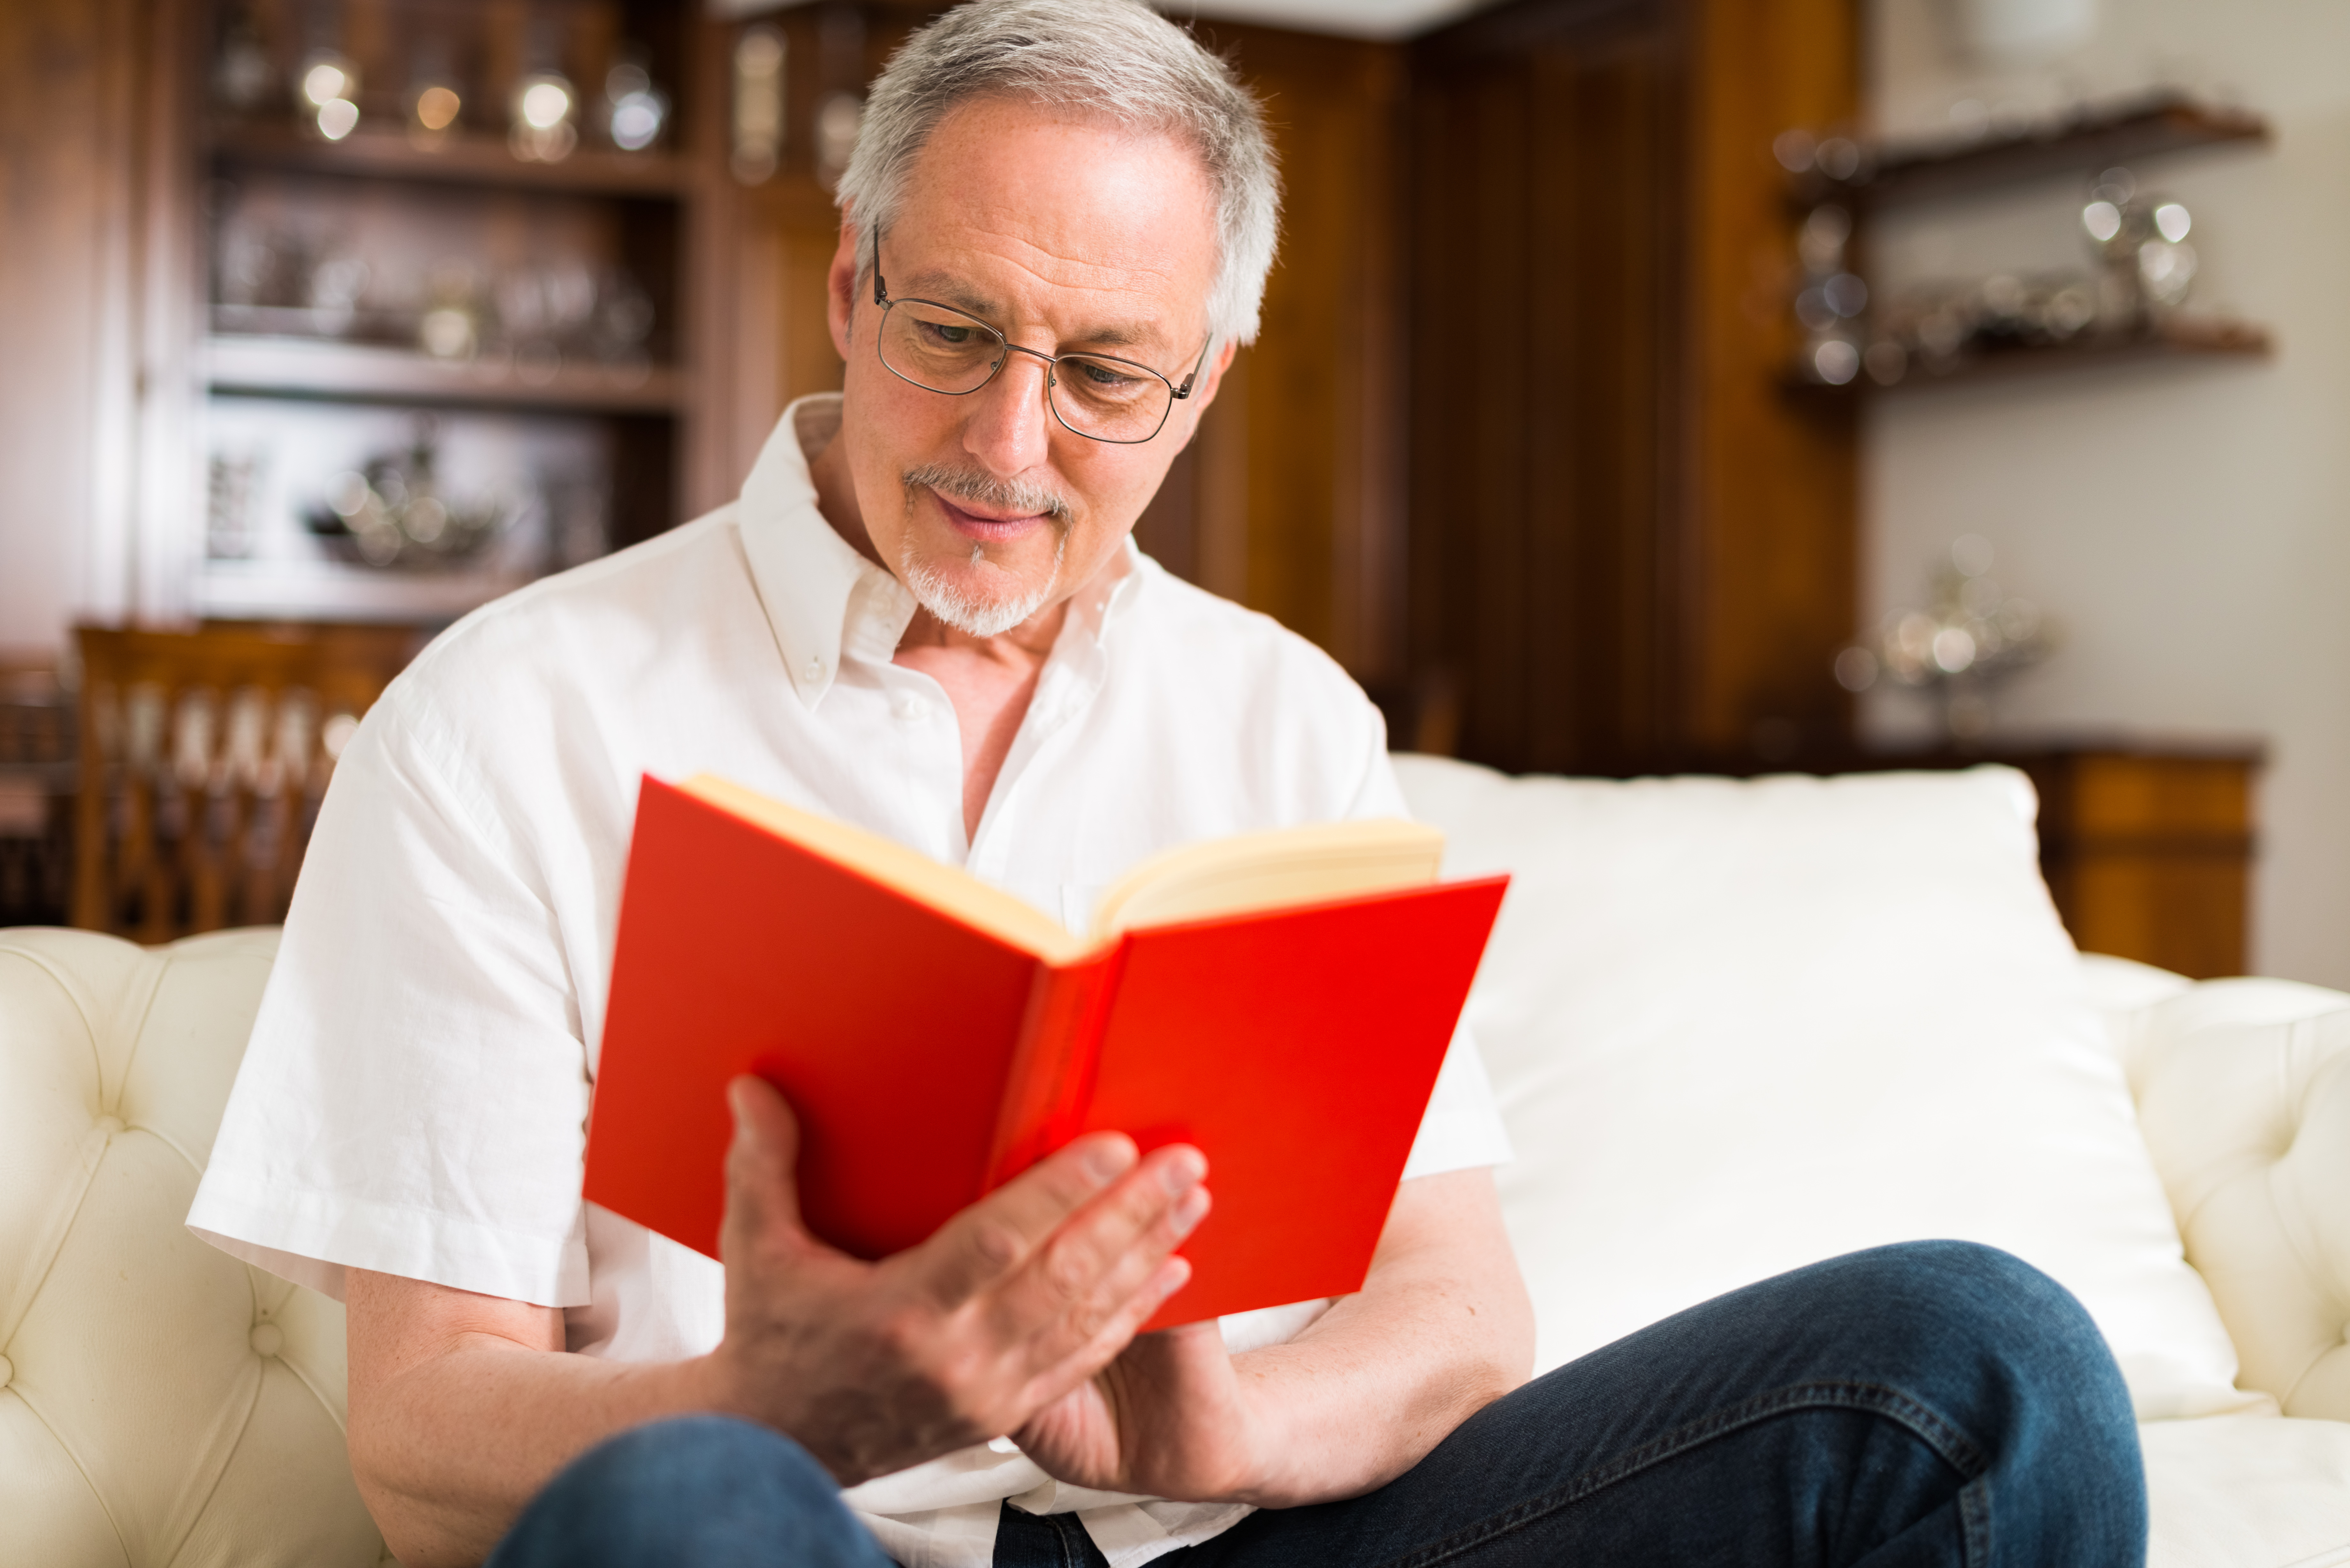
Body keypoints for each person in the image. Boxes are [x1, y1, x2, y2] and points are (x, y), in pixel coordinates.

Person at [189, 3, 2149, 1565]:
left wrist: (1241, 1431)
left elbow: (1455, 1301)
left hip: (1237, 1540)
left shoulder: (1285, 719)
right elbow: (425, 1444)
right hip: (772, 1524)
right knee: (678, 1512)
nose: (1010, 440)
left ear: (1210, 378)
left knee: (1983, 1360)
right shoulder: (509, 717)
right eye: (955, 331)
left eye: (1107, 371)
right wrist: (766, 1408)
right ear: (852, 290)